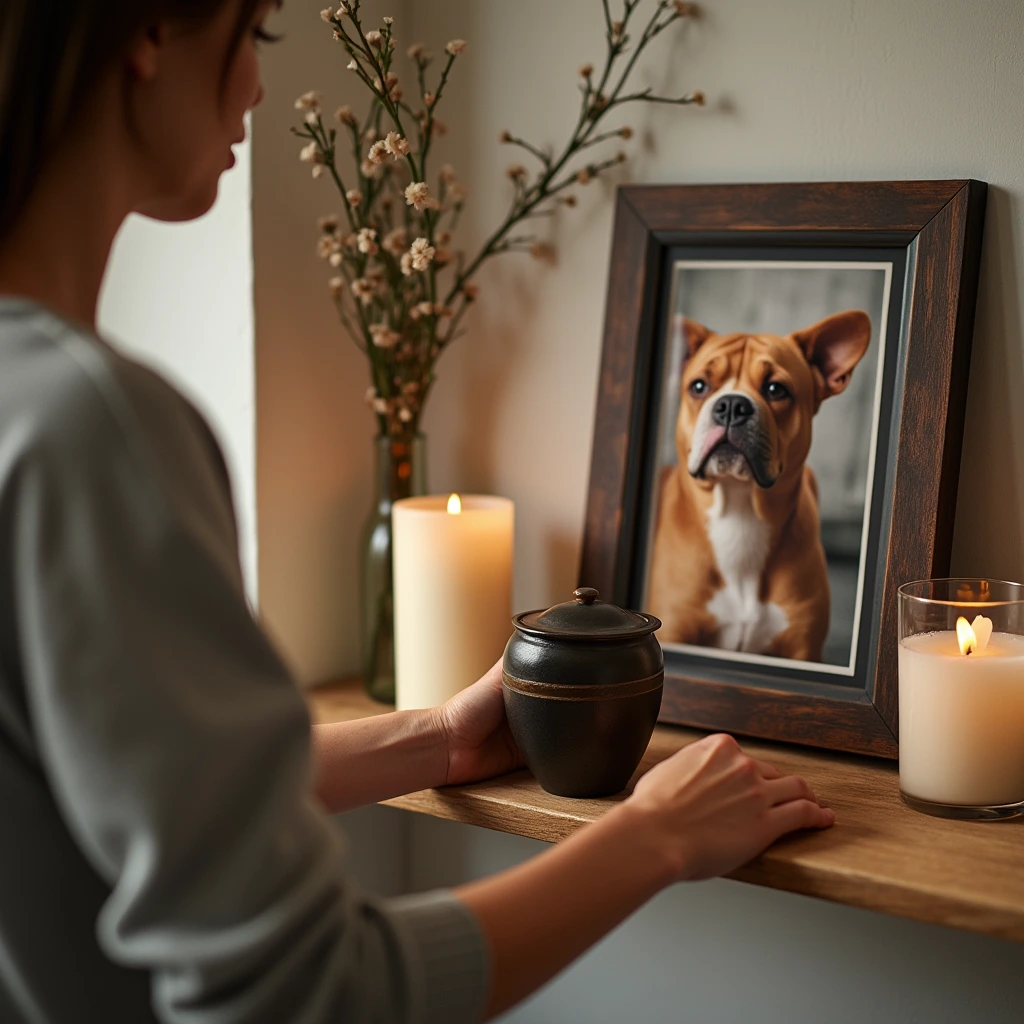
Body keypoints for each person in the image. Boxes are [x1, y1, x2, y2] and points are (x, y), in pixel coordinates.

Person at [0, 1, 835, 1021]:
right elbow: (307, 993)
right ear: (150, 32)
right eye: (255, 36)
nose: (260, 90)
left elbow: (123, 784)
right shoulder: (95, 429)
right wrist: (650, 836)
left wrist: (435, 737)